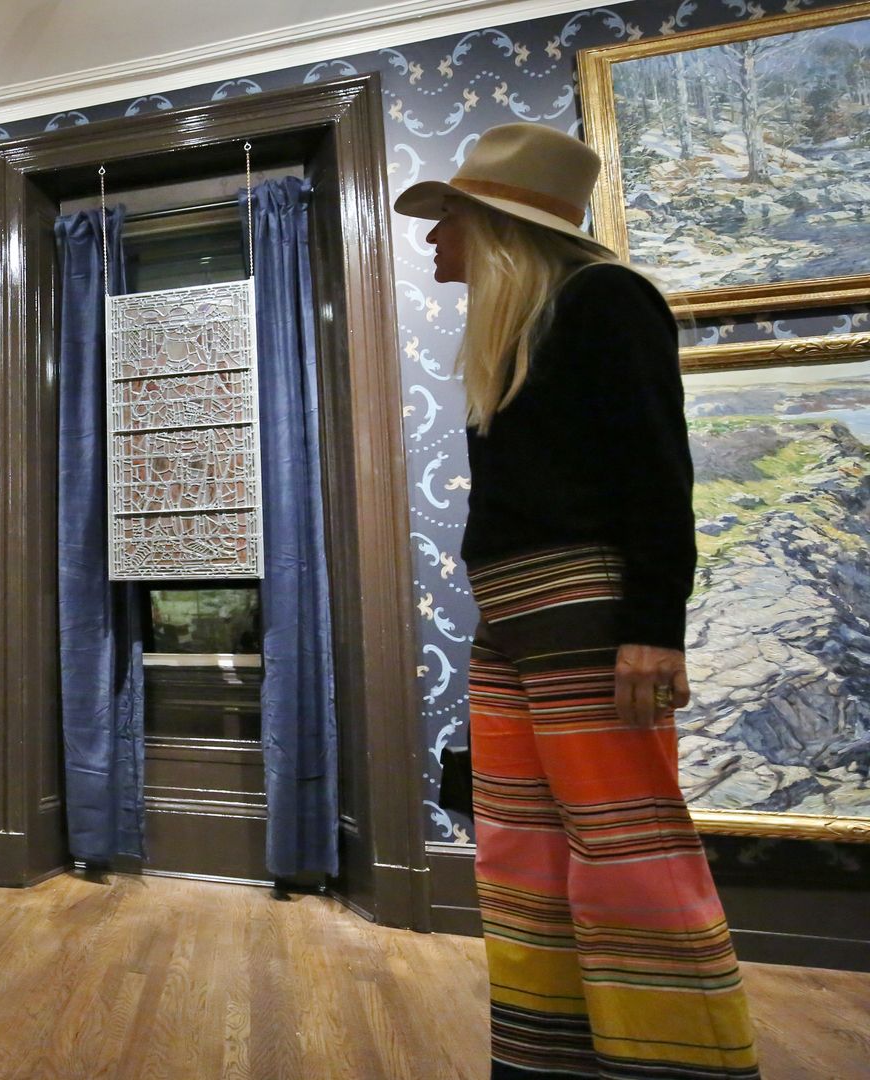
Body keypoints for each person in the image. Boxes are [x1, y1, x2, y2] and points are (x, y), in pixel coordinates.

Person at [397, 123, 761, 1079]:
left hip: (588, 624)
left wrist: (651, 630)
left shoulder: (606, 301)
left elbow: (656, 477)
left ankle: (676, 1065)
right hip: (514, 625)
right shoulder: (513, 332)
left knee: (628, 852)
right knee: (520, 856)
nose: (436, 242)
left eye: (451, 221)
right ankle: (546, 1058)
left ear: (498, 224)